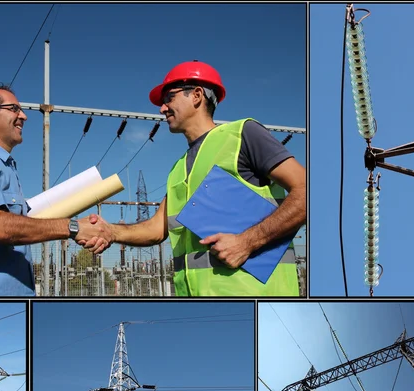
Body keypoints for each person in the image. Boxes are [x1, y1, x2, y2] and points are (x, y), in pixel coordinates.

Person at [83, 60, 306, 296]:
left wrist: (248, 241)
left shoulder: (242, 134)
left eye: (169, 98)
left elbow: (308, 191)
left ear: (197, 95)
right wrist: (111, 232)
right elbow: (157, 229)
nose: (162, 108)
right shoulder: (178, 169)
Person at [0, 85, 102, 296]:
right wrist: (72, 228)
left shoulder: (6, 167)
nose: (24, 116)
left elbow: (11, 226)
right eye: (14, 109)